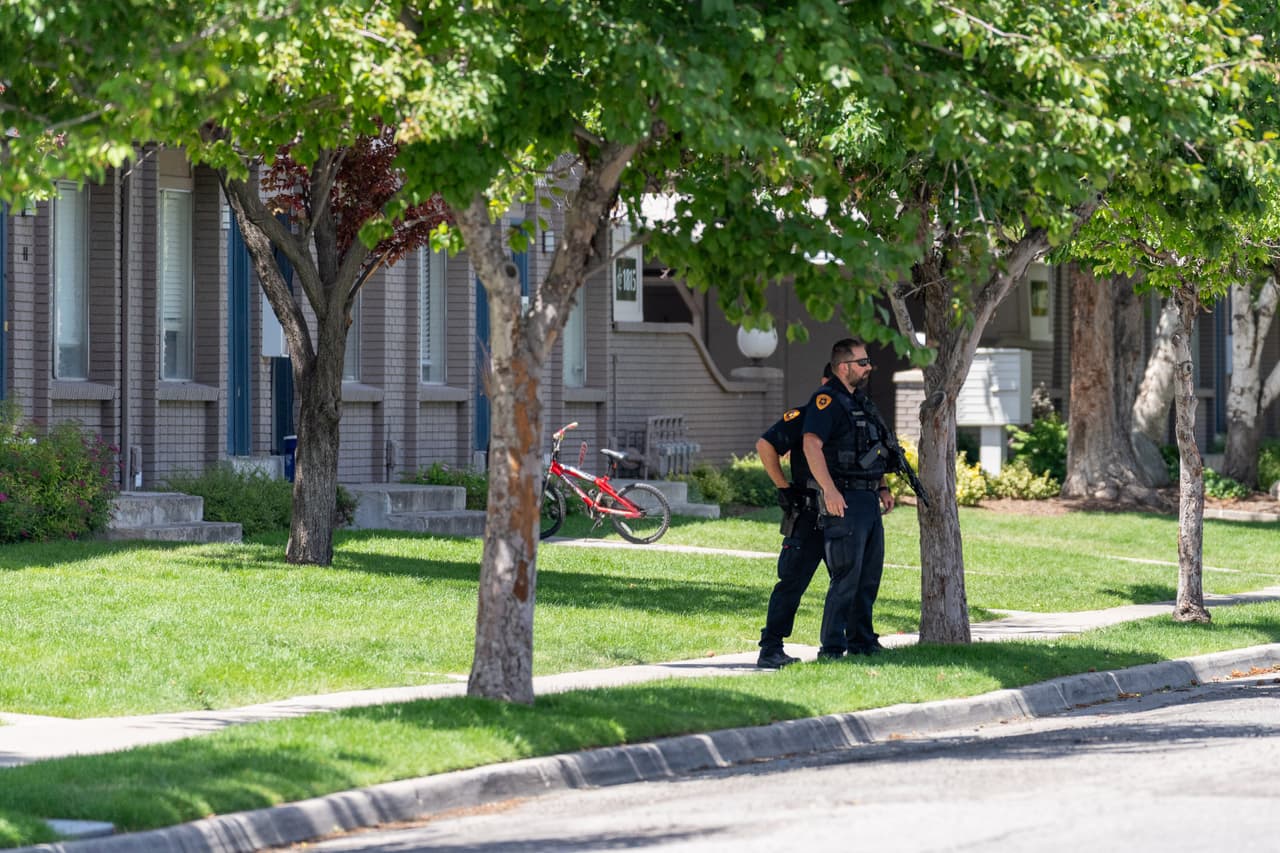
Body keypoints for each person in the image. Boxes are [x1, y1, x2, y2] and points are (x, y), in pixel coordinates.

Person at [802, 338, 895, 659]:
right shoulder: (826, 401)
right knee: (846, 577)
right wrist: (829, 490)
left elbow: (872, 450)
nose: (869, 367)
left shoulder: (861, 402)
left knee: (869, 576)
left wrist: (882, 487)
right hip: (844, 499)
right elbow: (811, 444)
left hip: (868, 500)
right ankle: (832, 647)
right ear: (844, 367)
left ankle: (863, 641)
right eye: (862, 362)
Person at [755, 365, 842, 669]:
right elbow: (766, 444)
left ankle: (842, 645)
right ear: (823, 382)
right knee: (791, 582)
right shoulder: (803, 415)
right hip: (808, 514)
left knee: (848, 582)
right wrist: (783, 486)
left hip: (844, 515)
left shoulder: (852, 418)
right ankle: (771, 648)